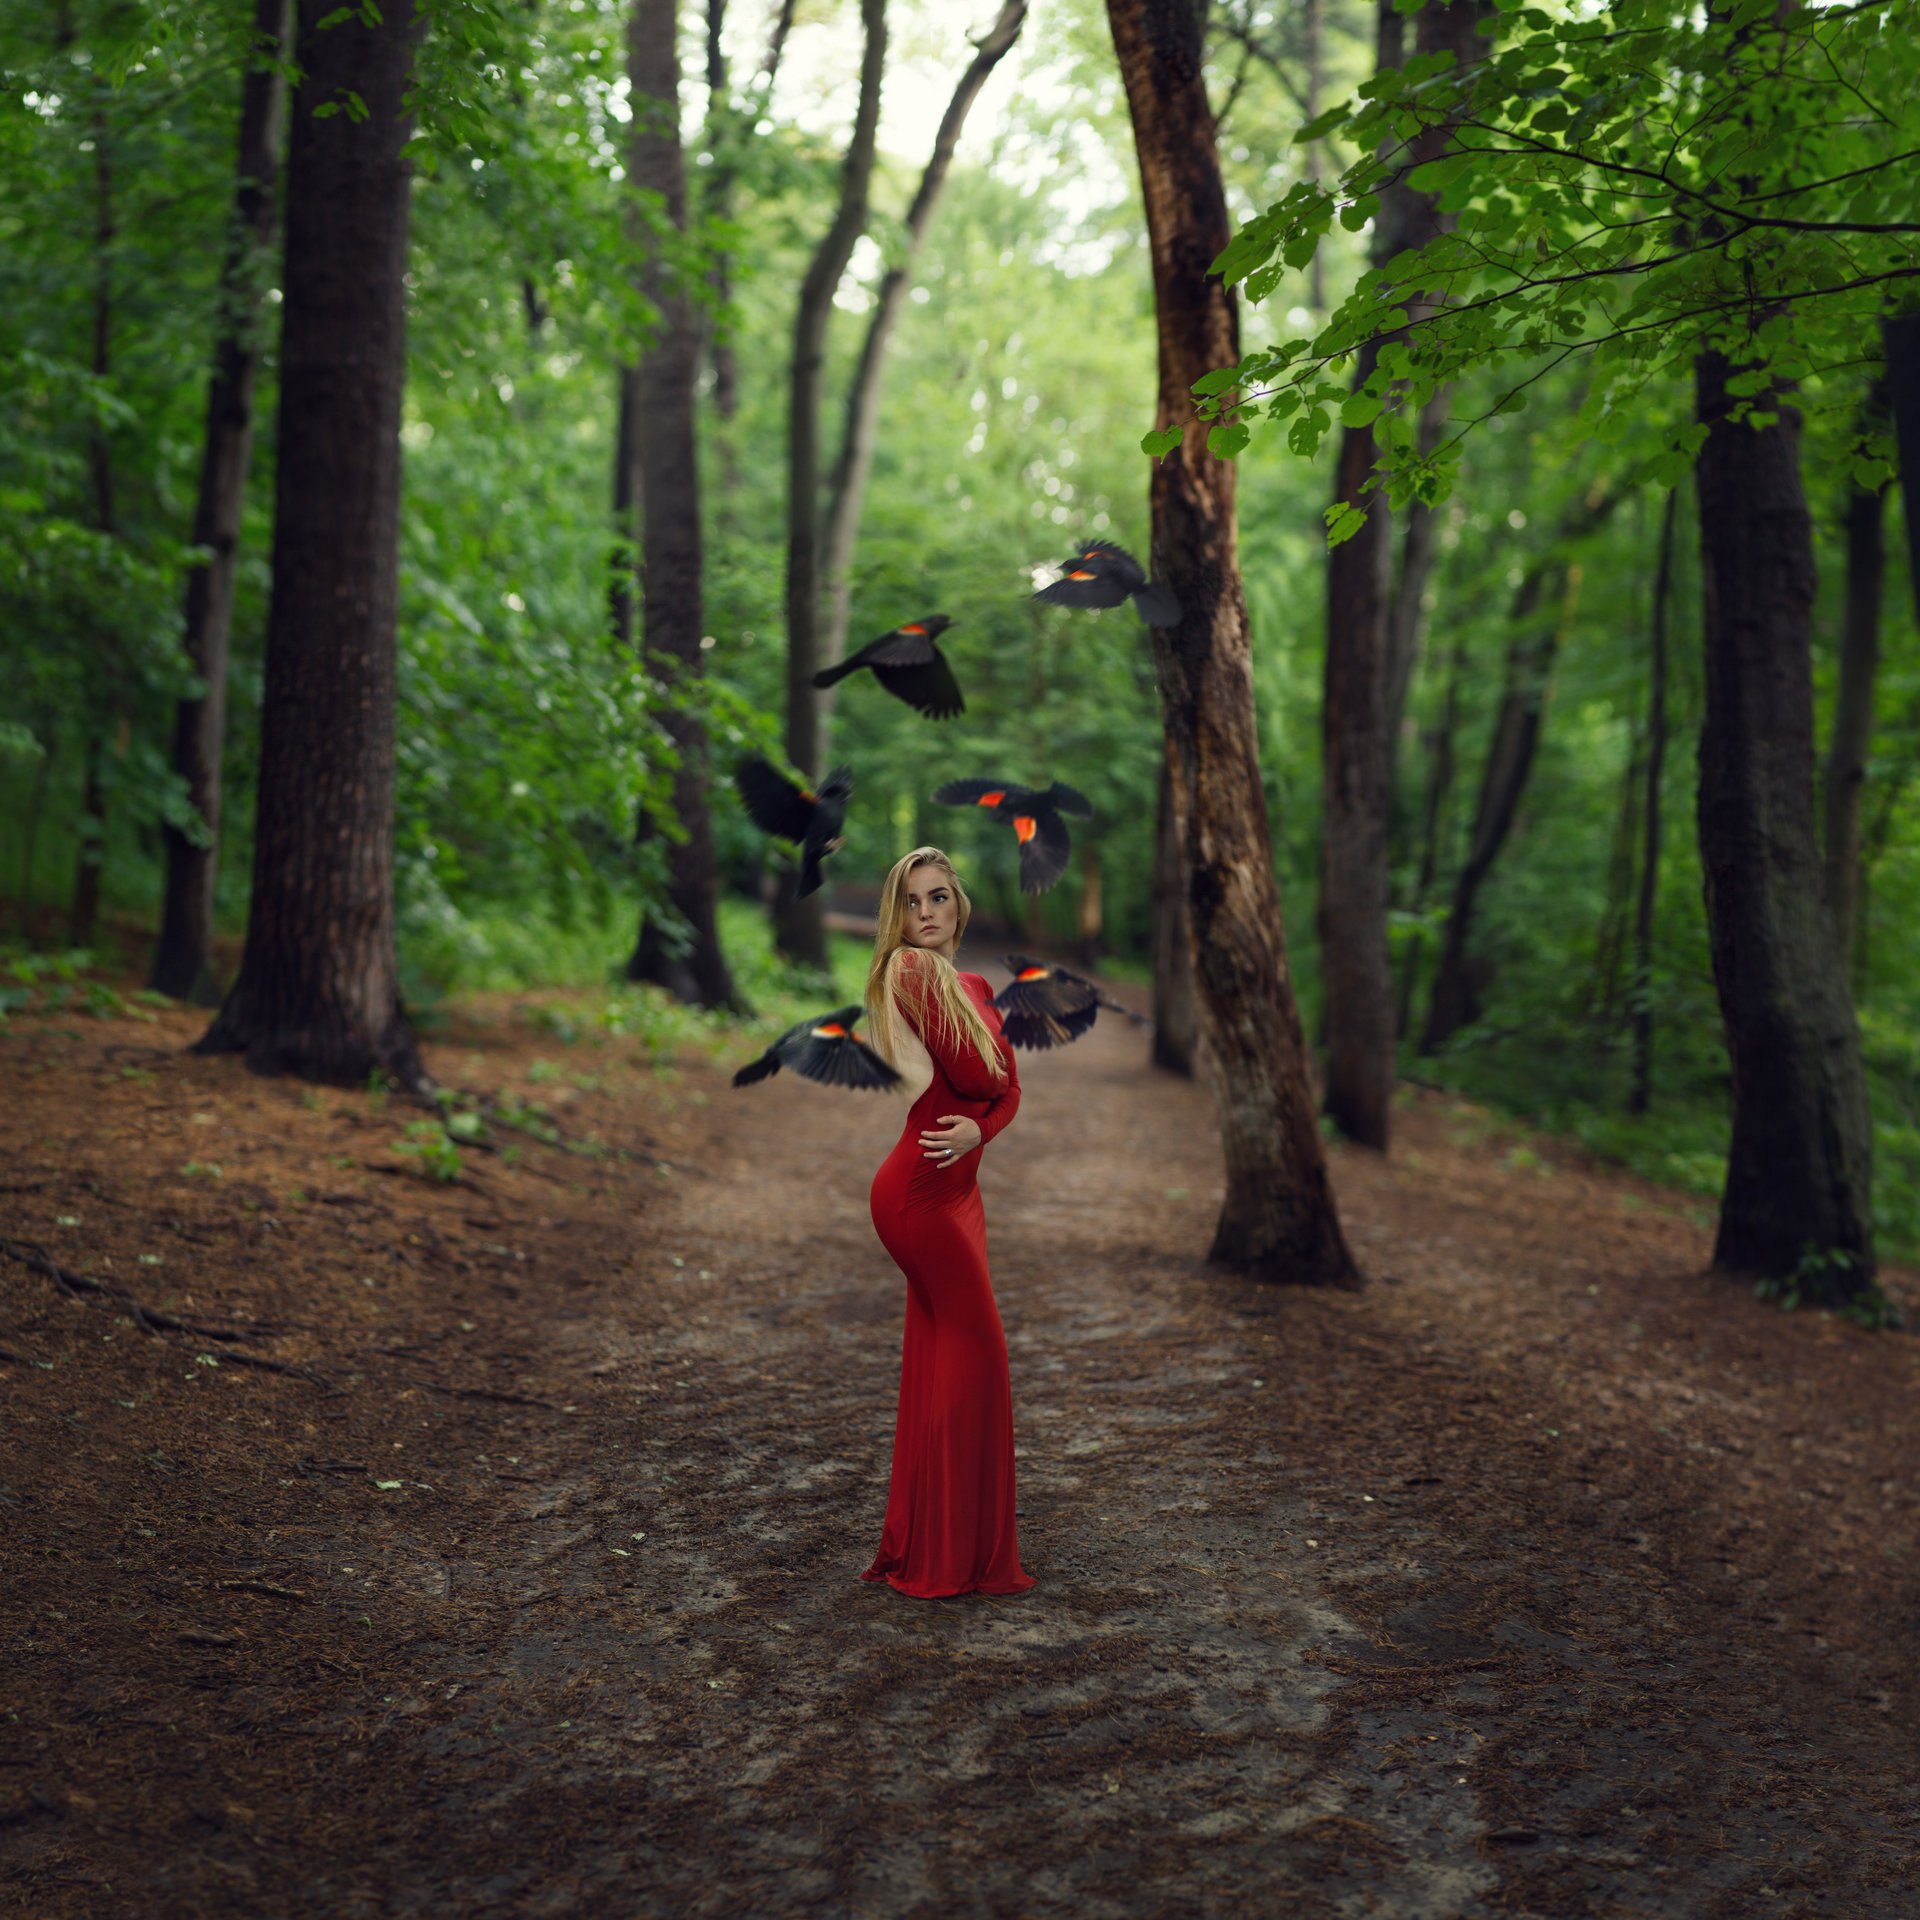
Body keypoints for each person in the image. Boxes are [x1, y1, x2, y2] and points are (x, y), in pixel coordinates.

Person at [859, 846, 1037, 1598]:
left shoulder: (968, 983)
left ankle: (938, 1541)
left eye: (937, 897)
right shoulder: (915, 973)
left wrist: (983, 1128)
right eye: (910, 901)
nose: (925, 913)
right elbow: (985, 1076)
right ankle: (952, 1554)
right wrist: (988, 1109)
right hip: (921, 1195)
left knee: (943, 1360)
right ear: (895, 916)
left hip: (958, 1192)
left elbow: (1005, 1091)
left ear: (958, 904)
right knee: (981, 1356)